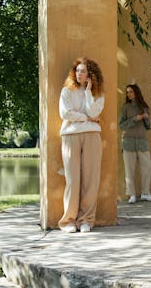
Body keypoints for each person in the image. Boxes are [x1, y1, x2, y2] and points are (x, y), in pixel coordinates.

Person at [59, 57, 105, 233]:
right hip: (70, 136)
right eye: (77, 70)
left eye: (83, 71)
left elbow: (94, 111)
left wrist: (88, 92)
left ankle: (86, 220)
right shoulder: (66, 92)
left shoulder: (98, 94)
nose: (79, 74)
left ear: (90, 75)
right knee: (73, 180)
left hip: (92, 136)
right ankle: (68, 221)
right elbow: (65, 113)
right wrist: (86, 118)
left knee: (90, 180)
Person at [119, 84, 151, 204]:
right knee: (129, 170)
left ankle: (145, 193)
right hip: (128, 142)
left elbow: (148, 126)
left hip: (142, 141)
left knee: (147, 167)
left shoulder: (144, 107)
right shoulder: (126, 107)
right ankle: (132, 195)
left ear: (136, 92)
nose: (129, 94)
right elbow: (121, 125)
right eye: (127, 92)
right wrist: (135, 119)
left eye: (131, 92)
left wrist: (145, 118)